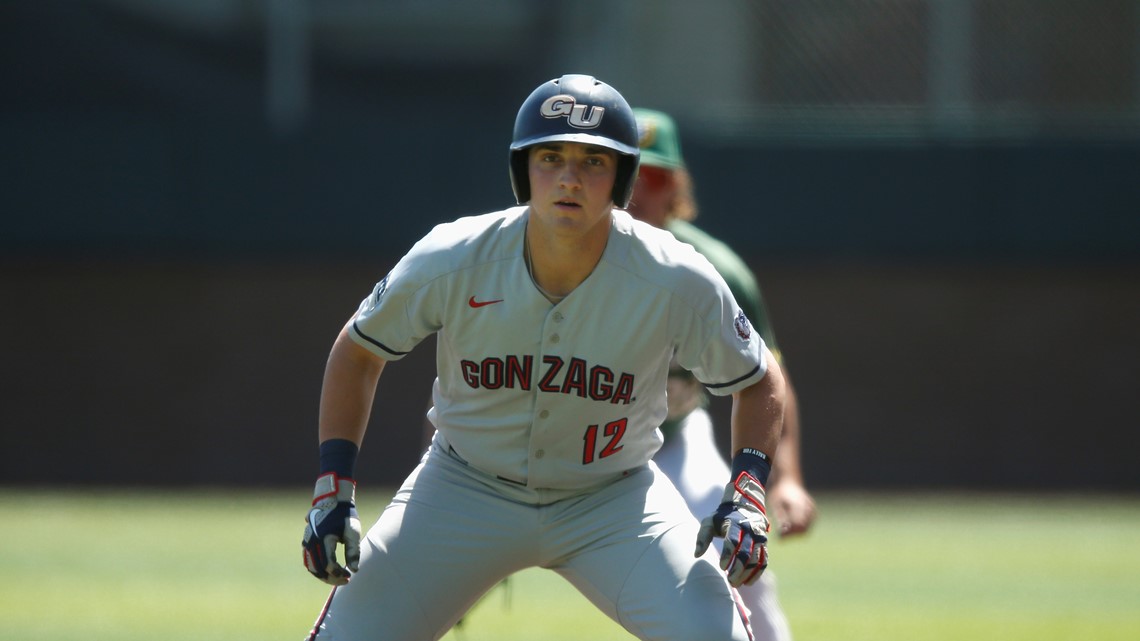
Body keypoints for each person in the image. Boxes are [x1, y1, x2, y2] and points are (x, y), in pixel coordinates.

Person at [300, 74, 787, 641]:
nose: (569, 178)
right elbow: (357, 352)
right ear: (522, 170)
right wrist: (334, 484)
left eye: (593, 162)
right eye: (550, 157)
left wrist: (748, 488)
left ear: (621, 179)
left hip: (614, 498)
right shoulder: (454, 256)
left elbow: (758, 379)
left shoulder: (674, 274)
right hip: (464, 485)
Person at [627, 108, 818, 641]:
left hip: (676, 436)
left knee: (737, 537)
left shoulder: (718, 271)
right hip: (586, 442)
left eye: (657, 175)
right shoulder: (570, 258)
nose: (641, 189)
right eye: (631, 173)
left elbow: (770, 381)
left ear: (678, 188)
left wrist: (787, 477)